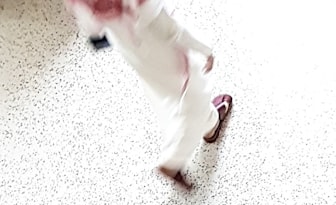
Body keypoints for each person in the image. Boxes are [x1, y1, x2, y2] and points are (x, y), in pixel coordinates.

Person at [64, 0, 233, 188]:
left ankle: (210, 124)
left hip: (133, 51)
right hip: (164, 52)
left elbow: (93, 30)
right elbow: (172, 31)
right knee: (195, 92)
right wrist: (205, 50)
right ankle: (173, 161)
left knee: (174, 93)